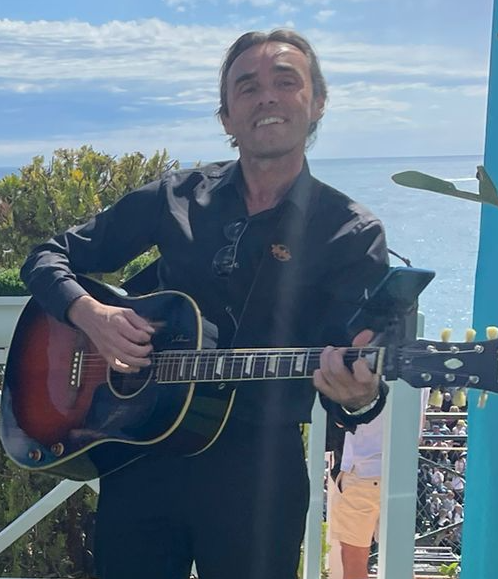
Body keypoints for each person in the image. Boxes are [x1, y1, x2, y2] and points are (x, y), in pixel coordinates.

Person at [21, 28, 391, 579]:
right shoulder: (174, 197)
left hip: (259, 475)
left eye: (285, 82)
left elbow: (355, 373)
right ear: (226, 117)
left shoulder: (350, 233)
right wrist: (90, 315)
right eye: (247, 86)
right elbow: (47, 258)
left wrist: (359, 394)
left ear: (316, 104)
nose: (266, 96)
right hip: (141, 457)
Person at [327, 403, 386, 579]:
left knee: (354, 563)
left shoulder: (357, 373)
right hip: (402, 471)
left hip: (362, 469)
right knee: (399, 560)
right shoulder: (425, 378)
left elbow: (341, 419)